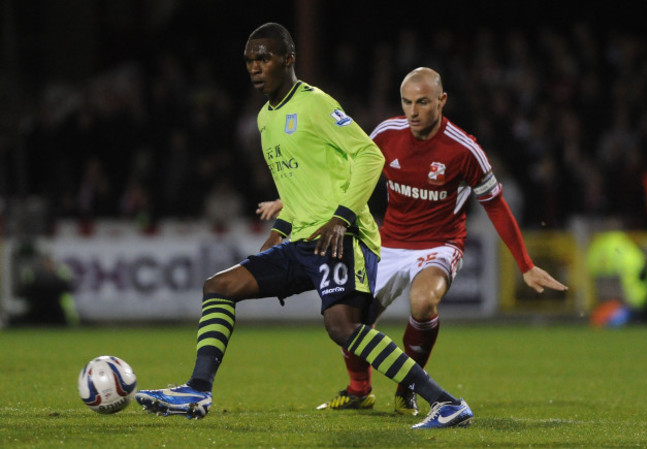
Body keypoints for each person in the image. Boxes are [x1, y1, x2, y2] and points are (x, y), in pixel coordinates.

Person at [135, 24, 472, 429]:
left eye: (265, 58)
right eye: (250, 60)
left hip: (342, 237)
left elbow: (369, 157)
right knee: (219, 287)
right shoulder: (264, 119)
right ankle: (197, 389)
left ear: (288, 60)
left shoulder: (314, 104)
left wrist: (342, 218)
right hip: (300, 240)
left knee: (343, 328)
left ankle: (447, 402)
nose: (256, 67)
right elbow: (297, 191)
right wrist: (277, 235)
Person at [256, 66, 568, 416]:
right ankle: (359, 390)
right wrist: (289, 201)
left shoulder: (464, 149)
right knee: (351, 315)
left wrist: (525, 265)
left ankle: (407, 389)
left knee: (422, 303)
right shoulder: (388, 134)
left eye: (422, 102)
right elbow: (345, 169)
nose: (413, 111)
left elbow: (495, 205)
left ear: (442, 101)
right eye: (407, 102)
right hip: (390, 243)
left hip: (440, 244)